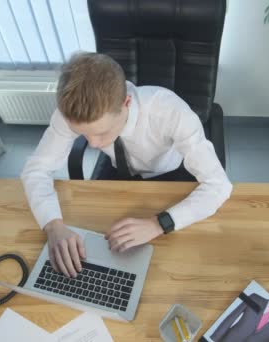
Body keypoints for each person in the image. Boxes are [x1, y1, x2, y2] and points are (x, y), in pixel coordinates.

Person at [21, 52, 232, 278]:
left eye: (101, 132)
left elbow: (219, 186)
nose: (92, 144)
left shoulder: (170, 111)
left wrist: (159, 224)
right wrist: (53, 226)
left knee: (170, 259)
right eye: (82, 134)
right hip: (117, 168)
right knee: (97, 248)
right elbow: (36, 170)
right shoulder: (71, 110)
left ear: (126, 103)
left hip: (170, 172)